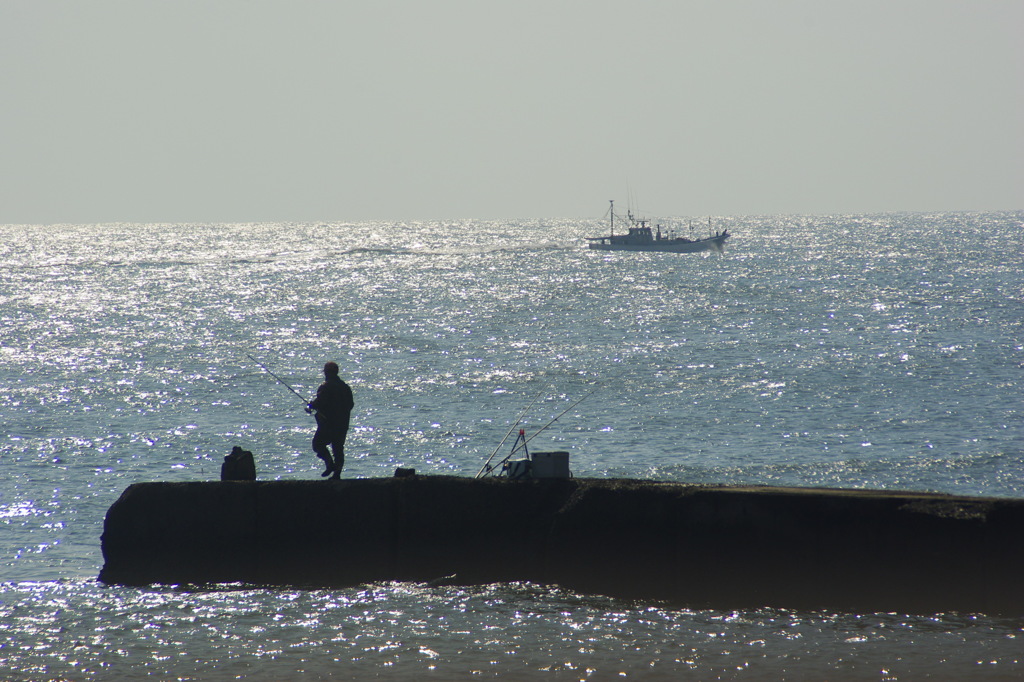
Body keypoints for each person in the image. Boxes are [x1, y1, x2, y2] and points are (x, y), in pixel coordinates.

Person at [305, 361, 354, 480]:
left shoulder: (325, 386)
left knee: (318, 444)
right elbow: (350, 404)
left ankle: (329, 464)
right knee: (338, 448)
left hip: (327, 423)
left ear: (327, 372)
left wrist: (311, 406)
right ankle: (337, 474)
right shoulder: (345, 387)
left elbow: (320, 402)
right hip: (342, 424)